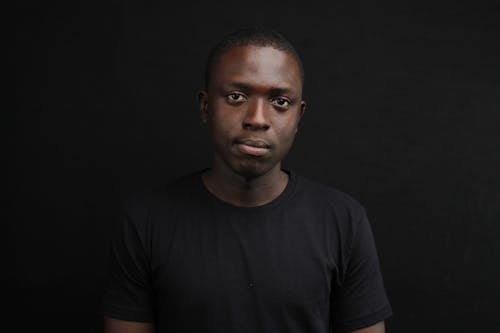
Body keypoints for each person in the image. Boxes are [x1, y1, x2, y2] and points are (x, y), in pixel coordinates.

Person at [101, 26, 392, 333]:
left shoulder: (343, 220)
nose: (257, 118)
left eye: (280, 102)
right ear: (205, 106)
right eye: (236, 96)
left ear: (298, 117)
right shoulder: (146, 220)